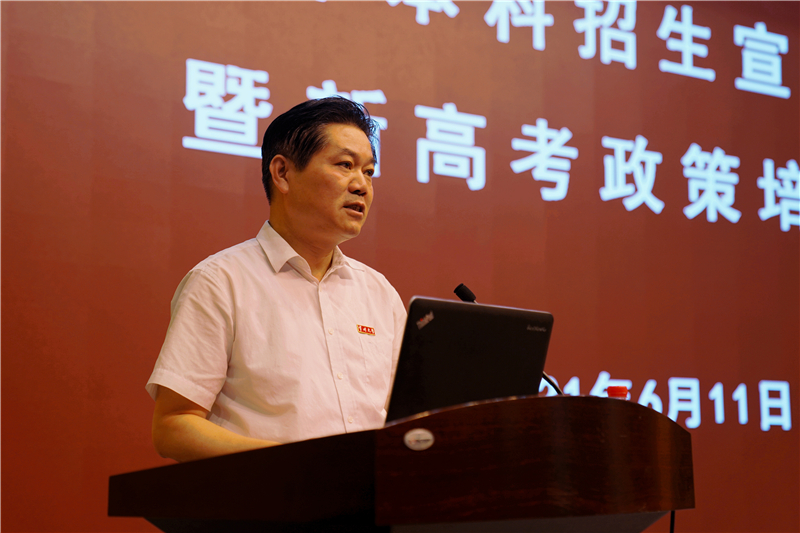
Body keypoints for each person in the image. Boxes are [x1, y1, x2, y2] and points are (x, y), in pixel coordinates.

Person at [147, 97, 406, 463]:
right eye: (345, 165)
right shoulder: (222, 282)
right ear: (282, 173)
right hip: (271, 496)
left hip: (372, 498)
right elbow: (174, 426)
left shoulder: (379, 294)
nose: (362, 185)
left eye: (369, 171)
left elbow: (410, 423)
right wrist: (296, 466)